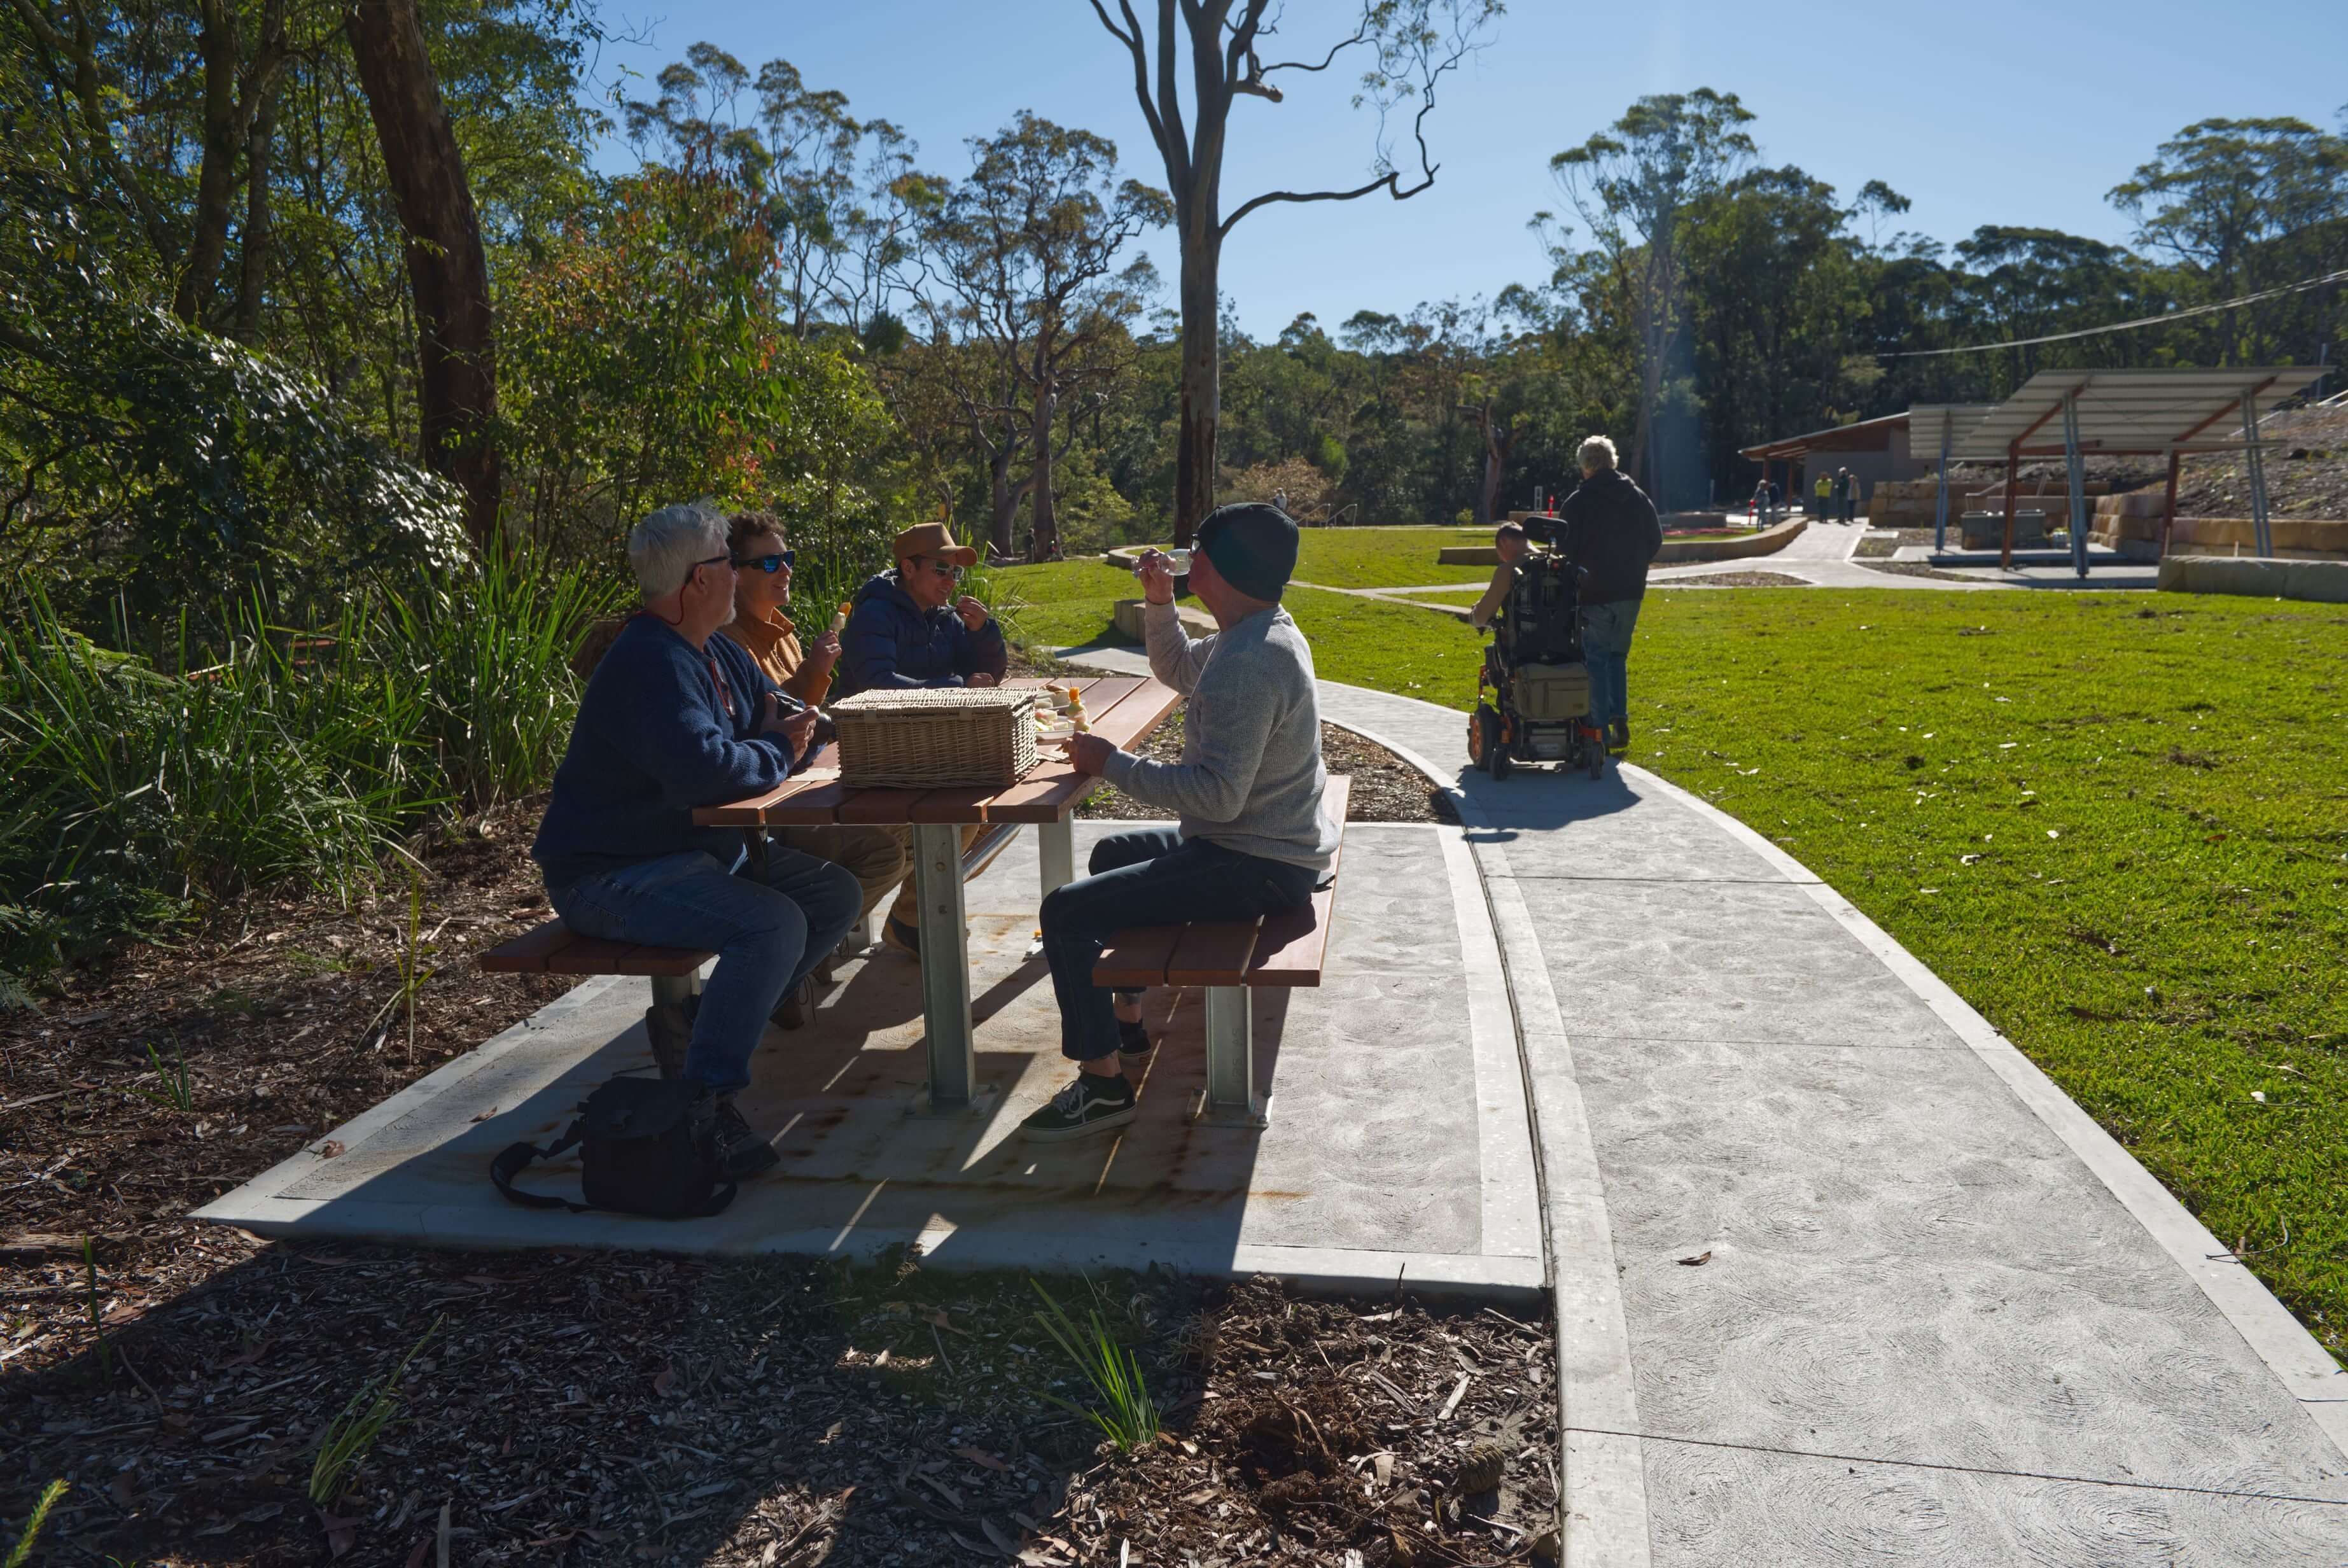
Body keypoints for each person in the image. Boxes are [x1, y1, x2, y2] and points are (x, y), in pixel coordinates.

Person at [531, 502, 862, 1179]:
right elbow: (709, 772)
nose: (740, 578)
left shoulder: (714, 650)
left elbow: (778, 717)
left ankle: (702, 1028)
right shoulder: (650, 663)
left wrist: (808, 735)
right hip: (611, 876)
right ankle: (703, 1100)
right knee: (771, 925)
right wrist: (775, 747)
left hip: (692, 855)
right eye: (727, 564)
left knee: (832, 894)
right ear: (696, 580)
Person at [1023, 502, 1338, 1142]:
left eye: (1196, 552)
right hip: (1262, 844)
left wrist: (1112, 762)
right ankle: (1128, 1019)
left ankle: (1102, 1082)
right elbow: (1176, 669)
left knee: (1064, 911)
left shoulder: (1249, 664)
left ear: (1217, 567)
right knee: (1113, 854)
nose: (1187, 560)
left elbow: (1215, 798)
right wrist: (1161, 602)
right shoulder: (1256, 630)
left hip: (1258, 865)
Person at [715, 510, 909, 1020]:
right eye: (771, 562)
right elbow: (771, 722)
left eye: (789, 559)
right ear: (733, 572)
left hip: (808, 781)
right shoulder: (729, 641)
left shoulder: (784, 631)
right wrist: (816, 673)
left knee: (921, 828)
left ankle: (808, 954)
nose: (786, 571)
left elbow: (799, 717)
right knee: (885, 853)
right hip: (768, 805)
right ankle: (788, 966)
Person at [836, 521, 1010, 955]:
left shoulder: (946, 618)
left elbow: (987, 676)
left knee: (1002, 804)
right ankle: (904, 919)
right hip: (870, 749)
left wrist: (982, 633)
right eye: (941, 570)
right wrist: (955, 688)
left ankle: (910, 915)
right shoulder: (874, 613)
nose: (951, 582)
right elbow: (876, 685)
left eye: (955, 573)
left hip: (926, 747)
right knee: (965, 806)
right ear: (908, 569)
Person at [1557, 435, 1661, 752]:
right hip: (1631, 591)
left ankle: (1599, 729)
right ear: (1613, 461)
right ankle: (1619, 719)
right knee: (1618, 656)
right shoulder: (1638, 497)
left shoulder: (1578, 501)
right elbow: (1655, 539)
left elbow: (1565, 549)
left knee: (1597, 658)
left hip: (1594, 592)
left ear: (1585, 465)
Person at [1468, 521, 1534, 630]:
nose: (1503, 560)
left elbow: (1480, 618)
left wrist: (1475, 612)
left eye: (1500, 554)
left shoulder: (1509, 569)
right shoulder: (1559, 562)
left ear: (1504, 542)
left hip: (1523, 643)